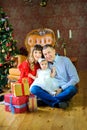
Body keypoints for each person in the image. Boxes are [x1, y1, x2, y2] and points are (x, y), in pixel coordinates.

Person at [30, 44, 80, 109]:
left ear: (54, 51)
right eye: (45, 54)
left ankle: (44, 101)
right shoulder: (45, 63)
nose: (47, 56)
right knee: (34, 89)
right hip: (50, 89)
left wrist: (61, 88)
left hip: (63, 88)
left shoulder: (65, 60)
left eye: (49, 52)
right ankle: (57, 102)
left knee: (73, 89)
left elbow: (75, 78)